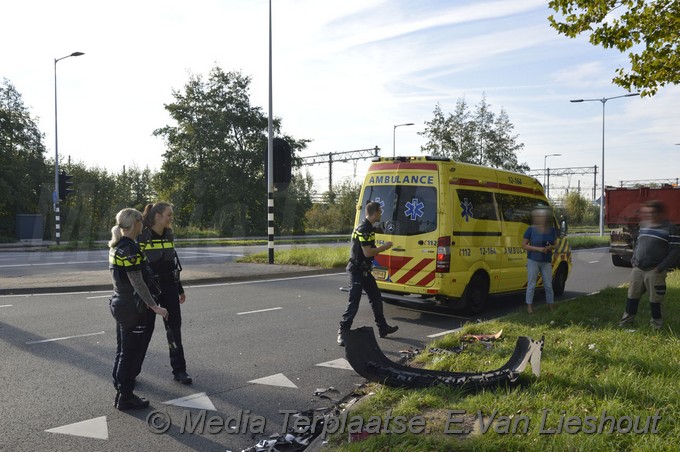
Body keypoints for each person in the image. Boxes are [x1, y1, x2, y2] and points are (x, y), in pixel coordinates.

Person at [109, 208, 168, 410]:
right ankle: (125, 396)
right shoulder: (130, 250)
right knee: (131, 352)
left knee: (123, 350)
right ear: (135, 224)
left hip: (120, 304)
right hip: (132, 308)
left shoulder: (118, 245)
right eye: (141, 222)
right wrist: (154, 306)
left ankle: (121, 387)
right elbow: (137, 283)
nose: (143, 225)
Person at [138, 202, 192, 384]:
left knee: (174, 328)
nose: (171, 218)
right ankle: (131, 372)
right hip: (149, 290)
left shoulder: (169, 235)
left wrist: (179, 287)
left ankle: (180, 371)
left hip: (169, 287)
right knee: (145, 331)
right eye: (168, 214)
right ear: (157, 216)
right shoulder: (141, 237)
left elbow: (171, 264)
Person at [337, 201, 398, 346]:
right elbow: (368, 251)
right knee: (354, 301)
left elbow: (368, 248)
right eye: (380, 211)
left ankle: (383, 328)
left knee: (376, 298)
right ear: (375, 212)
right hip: (357, 271)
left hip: (364, 270)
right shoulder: (365, 228)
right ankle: (342, 331)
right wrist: (384, 247)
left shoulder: (368, 227)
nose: (381, 214)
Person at [619, 200, 680, 330]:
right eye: (646, 213)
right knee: (632, 297)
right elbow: (638, 244)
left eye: (651, 213)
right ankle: (626, 324)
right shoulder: (643, 225)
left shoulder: (670, 228)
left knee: (655, 301)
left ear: (659, 213)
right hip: (638, 269)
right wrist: (634, 260)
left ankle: (656, 327)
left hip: (655, 271)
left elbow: (675, 251)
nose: (648, 216)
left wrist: (660, 267)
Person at [522, 207, 558, 314]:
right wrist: (538, 249)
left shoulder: (551, 230)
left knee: (548, 284)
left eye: (543, 217)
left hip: (546, 260)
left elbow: (556, 244)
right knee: (532, 284)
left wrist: (550, 247)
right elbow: (524, 245)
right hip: (533, 260)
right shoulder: (530, 230)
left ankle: (551, 306)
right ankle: (529, 307)